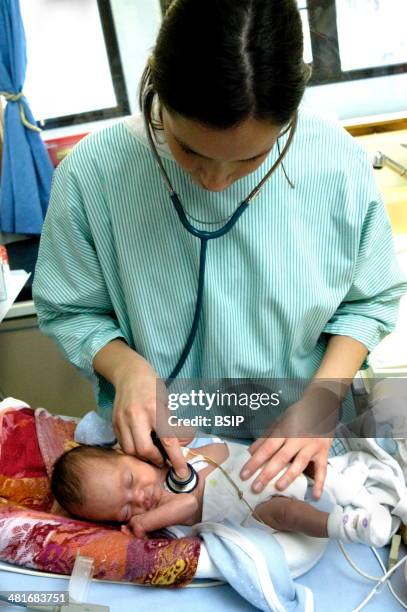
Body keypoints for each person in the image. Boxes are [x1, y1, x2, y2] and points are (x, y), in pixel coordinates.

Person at [33, 0, 406, 501]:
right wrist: (126, 368)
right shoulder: (92, 174)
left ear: (289, 117)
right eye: (190, 151)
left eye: (250, 159)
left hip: (299, 449)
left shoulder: (336, 161)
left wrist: (324, 396)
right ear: (158, 93)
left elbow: (370, 301)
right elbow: (70, 310)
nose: (213, 182)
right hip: (164, 460)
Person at [50, 435, 407, 548]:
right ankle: (345, 525)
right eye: (125, 510)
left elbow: (214, 446)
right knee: (290, 515)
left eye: (130, 482)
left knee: (319, 470)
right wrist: (145, 523)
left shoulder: (174, 453)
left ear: (128, 453)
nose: (140, 497)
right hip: (253, 511)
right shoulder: (165, 514)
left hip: (259, 467)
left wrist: (174, 453)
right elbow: (190, 506)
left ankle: (362, 497)